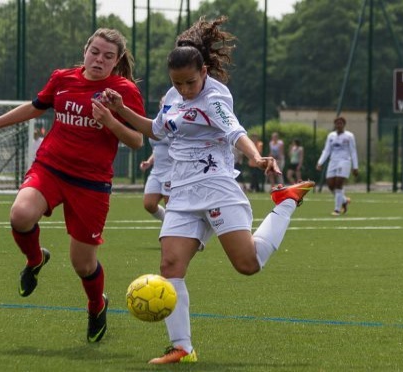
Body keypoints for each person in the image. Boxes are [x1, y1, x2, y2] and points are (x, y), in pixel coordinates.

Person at [98, 16, 315, 364]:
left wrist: (257, 156)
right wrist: (120, 109)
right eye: (177, 82)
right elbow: (156, 131)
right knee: (170, 265)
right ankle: (182, 347)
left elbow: (234, 131)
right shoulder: (172, 96)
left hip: (216, 188)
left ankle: (286, 202)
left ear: (204, 73)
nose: (184, 89)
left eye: (190, 82)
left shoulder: (215, 97)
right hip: (182, 193)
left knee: (248, 264)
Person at [0, 28, 145, 343]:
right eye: (95, 52)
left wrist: (111, 120)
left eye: (108, 56)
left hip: (91, 183)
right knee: (20, 215)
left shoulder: (122, 91)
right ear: (85, 50)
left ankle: (96, 305)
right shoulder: (62, 78)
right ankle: (35, 259)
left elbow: (137, 140)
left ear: (117, 61)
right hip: (50, 168)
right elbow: (36, 106)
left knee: (83, 264)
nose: (99, 59)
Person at [316, 116, 358, 216]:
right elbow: (326, 150)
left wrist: (355, 166)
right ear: (335, 124)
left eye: (341, 123)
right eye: (337, 123)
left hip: (344, 161)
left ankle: (337, 210)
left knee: (339, 184)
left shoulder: (349, 136)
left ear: (344, 124)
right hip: (333, 162)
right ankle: (344, 200)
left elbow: (353, 151)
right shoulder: (331, 136)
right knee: (331, 185)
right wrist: (320, 162)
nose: (339, 125)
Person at [140, 135, 172, 221]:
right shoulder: (156, 126)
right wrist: (149, 162)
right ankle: (166, 221)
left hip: (171, 172)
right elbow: (157, 149)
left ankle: (172, 227)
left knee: (170, 207)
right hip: (156, 172)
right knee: (149, 204)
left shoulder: (174, 125)